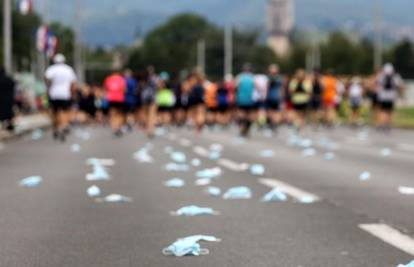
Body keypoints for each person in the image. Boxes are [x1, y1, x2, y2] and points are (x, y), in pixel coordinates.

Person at [45, 54, 77, 142]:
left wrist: (48, 90)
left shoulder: (51, 69)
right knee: (65, 111)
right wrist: (73, 94)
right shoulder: (68, 69)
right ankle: (64, 125)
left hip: (53, 94)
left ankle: (55, 128)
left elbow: (47, 80)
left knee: (54, 113)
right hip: (65, 94)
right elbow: (73, 84)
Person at [376, 63, 404, 132]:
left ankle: (382, 124)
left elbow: (377, 84)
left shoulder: (381, 76)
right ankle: (388, 125)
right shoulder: (395, 77)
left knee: (382, 111)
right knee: (389, 112)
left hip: (382, 96)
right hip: (391, 97)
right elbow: (400, 86)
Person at [104, 69, 126, 137]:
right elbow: (124, 89)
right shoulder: (121, 79)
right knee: (119, 114)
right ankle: (118, 127)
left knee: (112, 113)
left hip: (111, 98)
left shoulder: (108, 79)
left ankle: (114, 127)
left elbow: (106, 88)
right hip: (119, 98)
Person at [236, 64, 255, 137]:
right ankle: (247, 129)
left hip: (241, 98)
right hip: (250, 99)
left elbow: (236, 87)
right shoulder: (252, 77)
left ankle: (242, 128)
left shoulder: (240, 77)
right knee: (249, 115)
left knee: (241, 114)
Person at [140, 66, 158, 138]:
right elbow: (157, 87)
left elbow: (140, 87)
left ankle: (147, 130)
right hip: (152, 97)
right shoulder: (155, 78)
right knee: (152, 115)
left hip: (144, 97)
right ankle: (151, 130)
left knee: (146, 114)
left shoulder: (143, 79)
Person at [266, 64, 283, 131]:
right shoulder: (280, 78)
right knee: (275, 112)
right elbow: (282, 88)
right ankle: (274, 124)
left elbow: (267, 88)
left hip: (271, 96)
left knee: (271, 111)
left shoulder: (269, 78)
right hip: (277, 96)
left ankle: (273, 124)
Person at [0, 67, 15, 132]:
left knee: (2, 113)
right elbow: (13, 85)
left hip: (1, 99)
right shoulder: (9, 79)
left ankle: (4, 125)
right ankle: (10, 126)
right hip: (9, 99)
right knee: (9, 113)